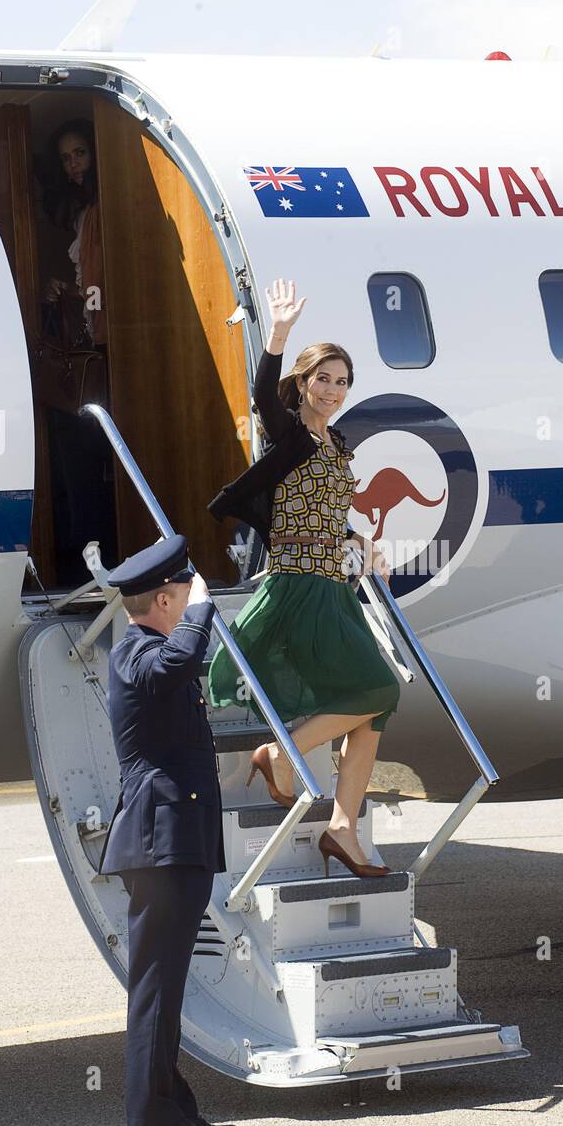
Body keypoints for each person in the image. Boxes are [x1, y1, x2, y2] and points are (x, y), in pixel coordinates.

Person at [207, 278, 400, 879]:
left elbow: (321, 511)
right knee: (382, 689)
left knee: (370, 711)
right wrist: (281, 332)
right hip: (298, 586)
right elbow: (263, 391)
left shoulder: (336, 443)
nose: (334, 391)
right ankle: (279, 754)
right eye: (324, 379)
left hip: (332, 587)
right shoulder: (289, 430)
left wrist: (358, 542)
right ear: (304, 381)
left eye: (343, 382)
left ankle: (342, 828)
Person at [98, 533, 240, 1126]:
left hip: (174, 843)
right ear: (164, 599)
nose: (189, 603)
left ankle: (172, 1109)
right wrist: (204, 611)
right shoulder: (137, 651)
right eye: (182, 595)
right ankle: (152, 1123)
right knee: (157, 986)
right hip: (160, 846)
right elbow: (175, 663)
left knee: (169, 985)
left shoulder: (150, 648)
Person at [37, 116, 115, 581]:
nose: (73, 165)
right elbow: (90, 288)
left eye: (80, 153)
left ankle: (92, 561)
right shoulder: (83, 214)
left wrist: (80, 300)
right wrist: (64, 291)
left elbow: (101, 292)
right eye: (66, 158)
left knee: (85, 463)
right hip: (90, 352)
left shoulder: (104, 211)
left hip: (101, 356)